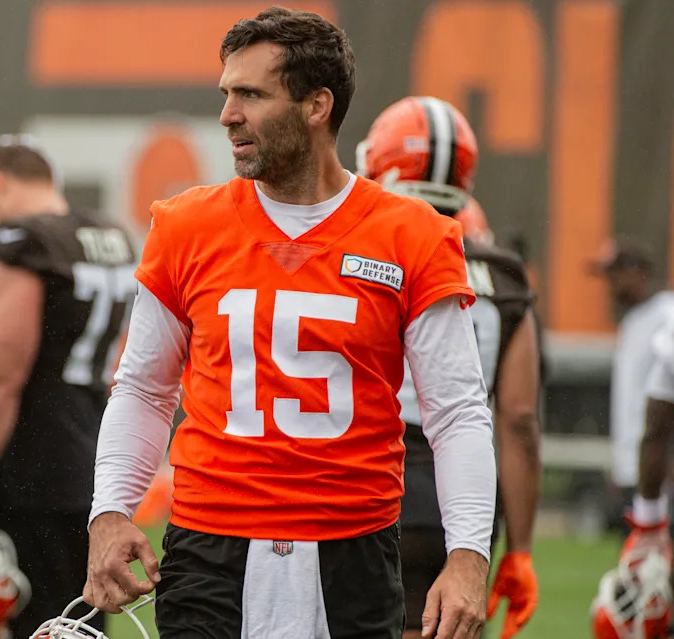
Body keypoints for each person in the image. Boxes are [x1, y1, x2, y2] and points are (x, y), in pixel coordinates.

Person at [84, 8, 497, 639]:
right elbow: (142, 387)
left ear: (316, 105)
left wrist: (468, 555)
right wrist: (110, 510)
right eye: (226, 94)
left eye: (251, 94)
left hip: (352, 547)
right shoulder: (186, 227)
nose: (228, 114)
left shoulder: (412, 235)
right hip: (209, 547)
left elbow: (457, 410)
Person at [357, 96, 542, 639]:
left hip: (371, 486)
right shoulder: (503, 275)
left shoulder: (357, 253)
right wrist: (523, 549)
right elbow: (520, 420)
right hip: (465, 500)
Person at [0, 142, 137, 637]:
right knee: (80, 626)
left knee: (31, 622)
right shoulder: (109, 234)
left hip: (31, 473)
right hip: (93, 463)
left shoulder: (23, 241)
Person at [589, 239, 674, 530]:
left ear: (639, 272)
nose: (610, 284)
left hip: (661, 472)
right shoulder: (631, 324)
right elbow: (628, 405)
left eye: (616, 273)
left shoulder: (667, 315)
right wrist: (621, 466)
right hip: (635, 471)